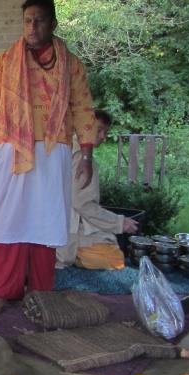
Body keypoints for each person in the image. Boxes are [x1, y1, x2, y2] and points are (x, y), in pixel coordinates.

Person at [0, 0, 95, 315]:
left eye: (39, 20)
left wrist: (88, 154)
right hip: (12, 150)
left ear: (52, 24)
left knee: (46, 223)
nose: (32, 26)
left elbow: (82, 108)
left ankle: (41, 293)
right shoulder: (4, 62)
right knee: (8, 222)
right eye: (27, 20)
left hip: (55, 151)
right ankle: (3, 293)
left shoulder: (72, 65)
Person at [56, 110, 139, 269]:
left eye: (105, 132)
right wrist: (120, 222)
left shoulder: (63, 147)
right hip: (67, 228)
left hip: (55, 225)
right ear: (84, 128)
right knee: (116, 259)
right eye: (99, 130)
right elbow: (82, 204)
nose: (103, 137)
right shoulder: (82, 157)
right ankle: (72, 256)